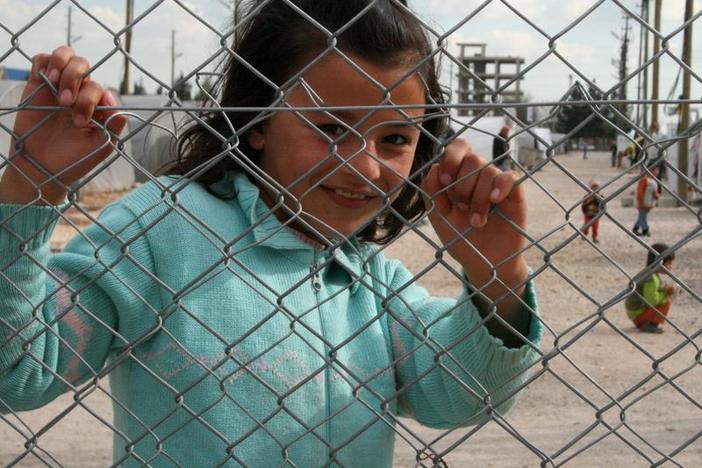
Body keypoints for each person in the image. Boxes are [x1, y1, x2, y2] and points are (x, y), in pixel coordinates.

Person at [0, 1, 542, 466]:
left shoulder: (368, 280)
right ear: (257, 120)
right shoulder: (160, 232)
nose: (367, 167)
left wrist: (497, 276)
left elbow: (461, 396)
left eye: (396, 137)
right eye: (332, 129)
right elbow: (18, 373)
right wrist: (29, 187)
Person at [625, 243, 677, 333]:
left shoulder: (649, 273)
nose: (670, 267)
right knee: (666, 303)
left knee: (664, 300)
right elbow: (651, 301)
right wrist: (665, 293)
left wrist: (663, 290)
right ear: (660, 262)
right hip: (637, 312)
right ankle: (650, 325)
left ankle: (645, 322)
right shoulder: (651, 278)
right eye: (669, 263)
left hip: (634, 311)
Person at [632, 164, 660, 236]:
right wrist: (640, 201)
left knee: (642, 216)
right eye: (655, 170)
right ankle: (645, 230)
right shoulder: (645, 180)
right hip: (643, 202)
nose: (657, 172)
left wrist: (656, 195)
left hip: (648, 203)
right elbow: (640, 191)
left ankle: (636, 228)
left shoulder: (653, 181)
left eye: (658, 170)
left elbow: (653, 192)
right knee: (643, 216)